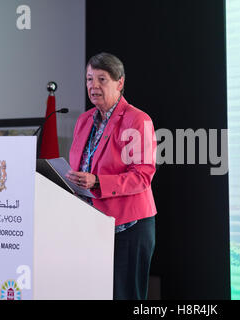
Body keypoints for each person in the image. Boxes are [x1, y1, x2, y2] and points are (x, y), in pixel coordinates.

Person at [66, 52, 157, 300]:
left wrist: (97, 181)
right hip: (93, 225)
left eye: (101, 79)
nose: (93, 86)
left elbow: (142, 175)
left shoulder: (138, 120)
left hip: (129, 227)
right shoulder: (83, 120)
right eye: (89, 79)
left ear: (120, 83)